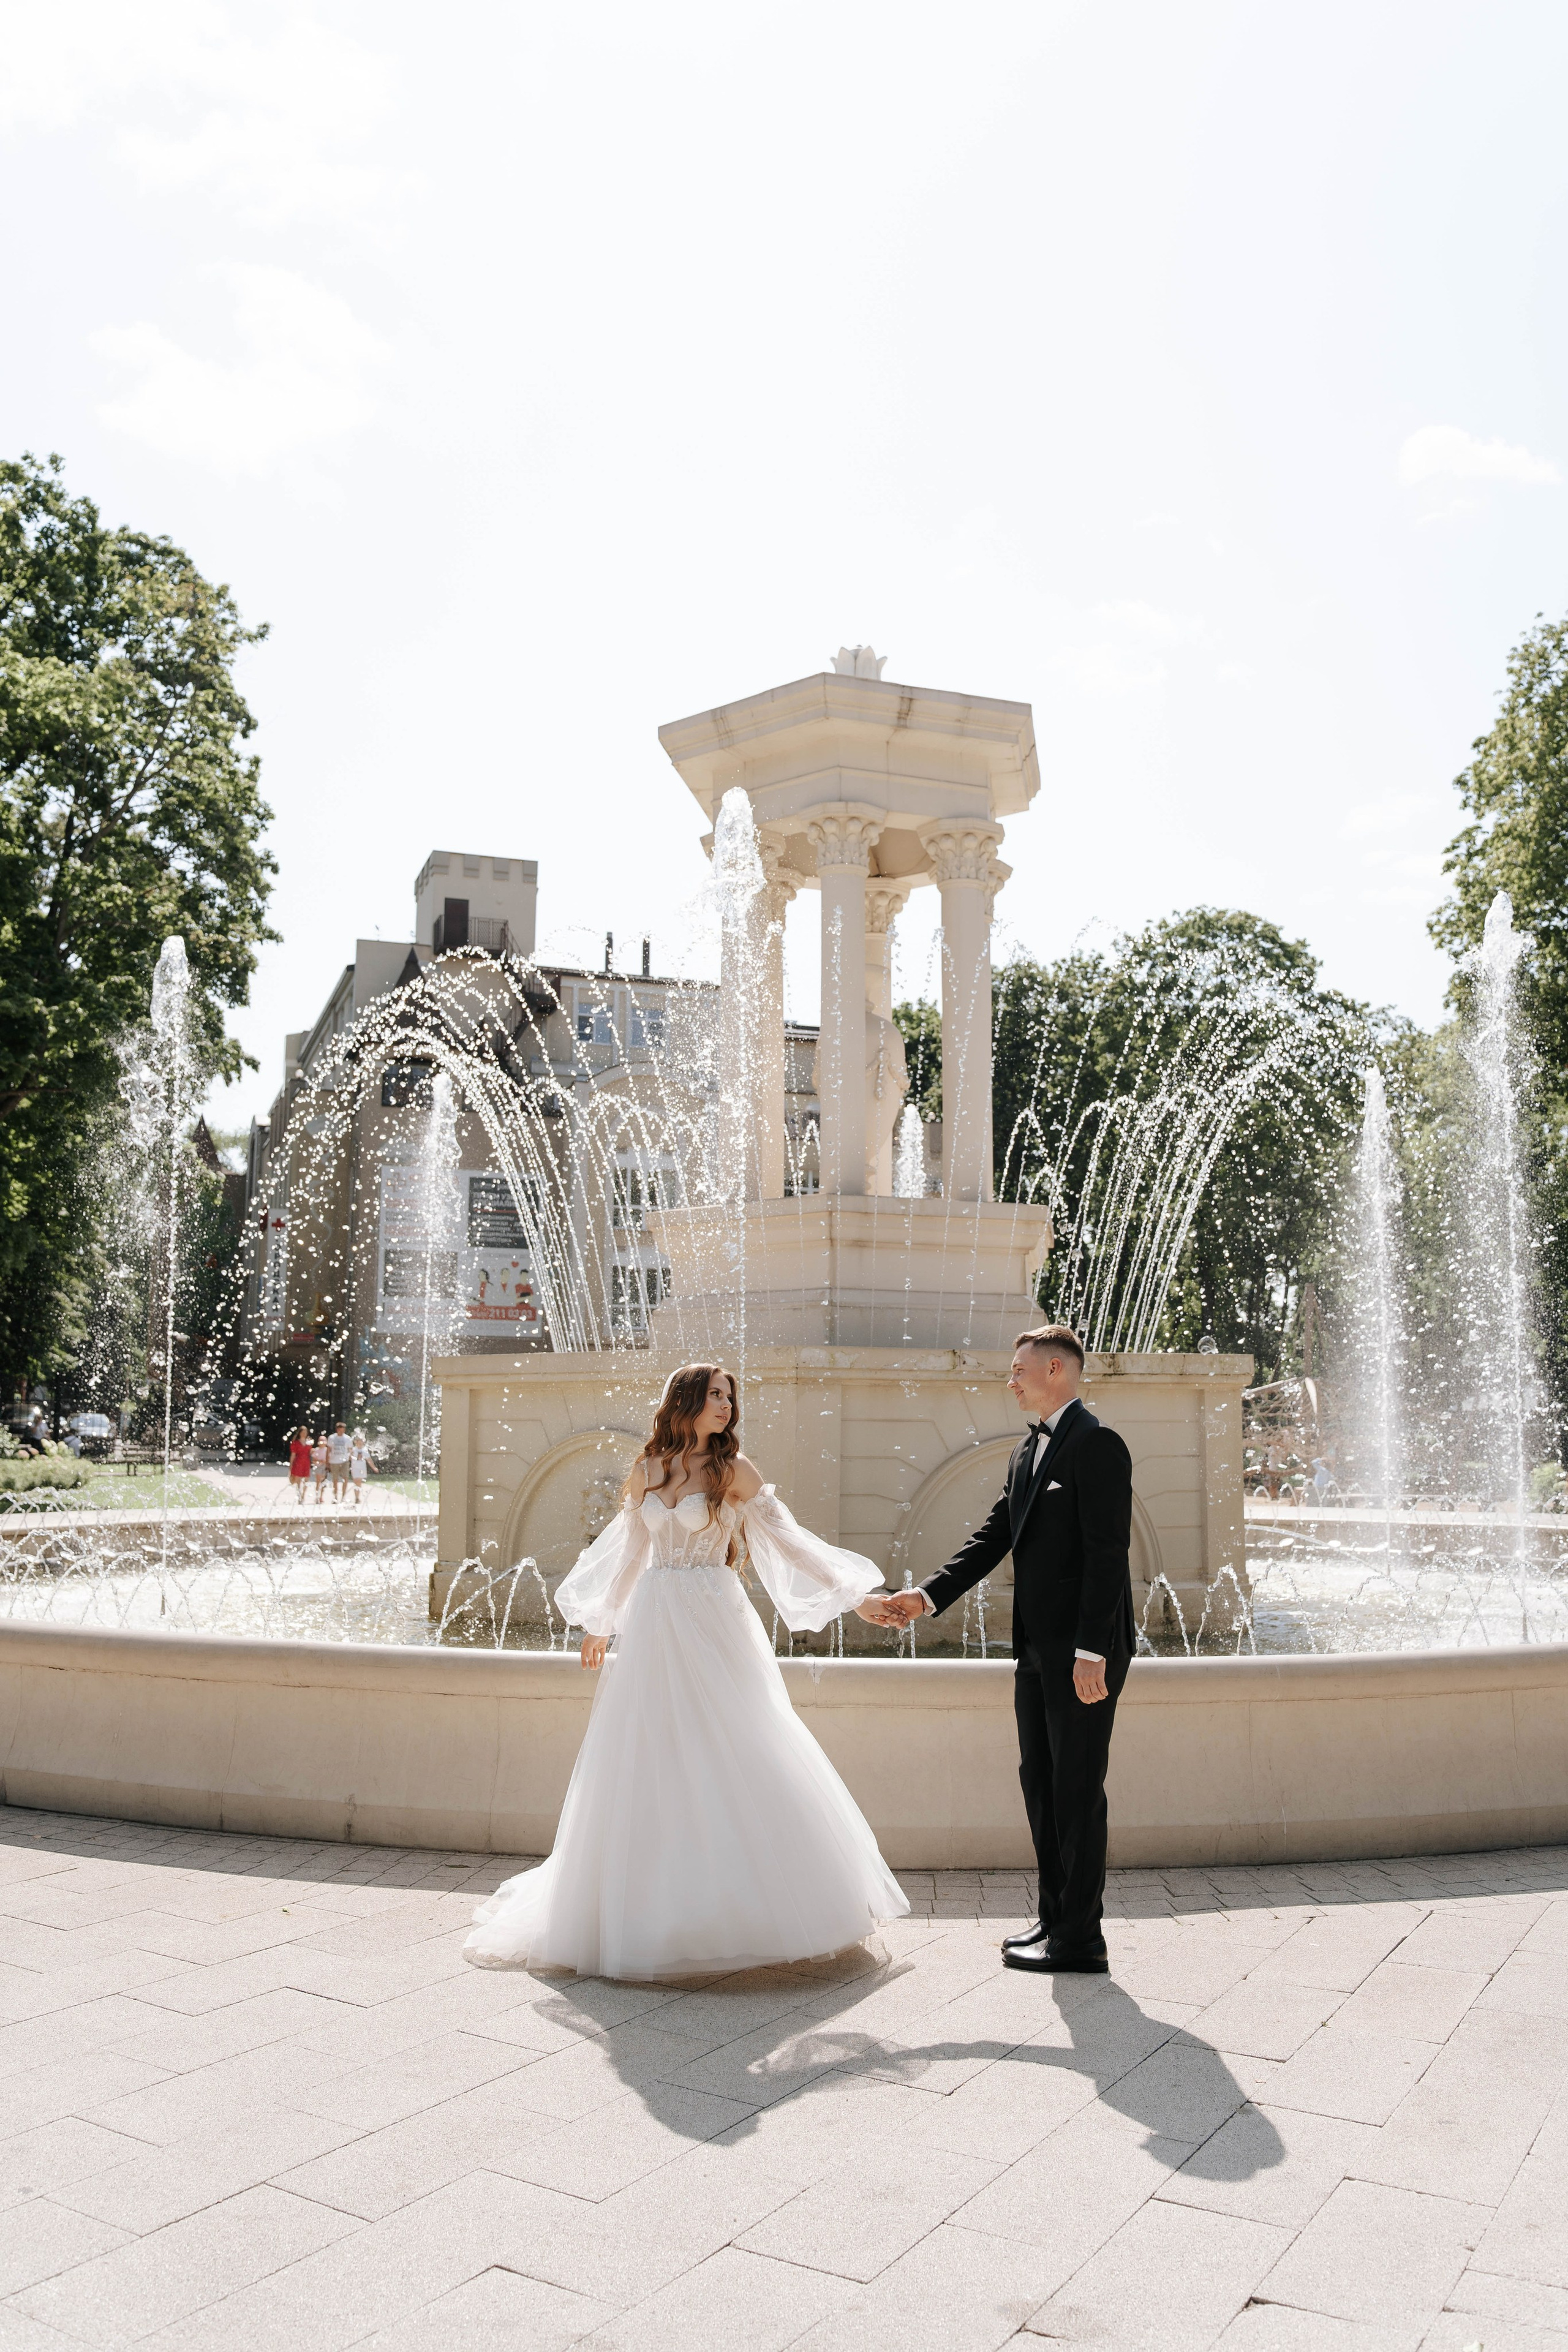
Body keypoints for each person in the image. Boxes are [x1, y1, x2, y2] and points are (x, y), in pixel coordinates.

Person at [464, 1362, 910, 1980]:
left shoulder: (733, 1470)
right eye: (715, 1395)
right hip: (653, 1619)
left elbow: (790, 1540)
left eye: (730, 1396)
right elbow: (630, 1551)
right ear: (686, 1401)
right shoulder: (648, 1470)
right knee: (647, 1752)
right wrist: (602, 1620)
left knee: (739, 1740)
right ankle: (646, 1906)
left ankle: (762, 1905)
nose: (726, 1405)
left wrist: (855, 1595)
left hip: (714, 1617)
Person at [872, 1324, 1134, 1977]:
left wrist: (1091, 1651)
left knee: (1076, 1787)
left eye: (1018, 1369)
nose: (1009, 1380)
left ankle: (1081, 1941)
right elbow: (992, 1537)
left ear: (1055, 1369)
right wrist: (925, 1597)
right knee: (1041, 1785)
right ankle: (1055, 1919)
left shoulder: (1097, 1445)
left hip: (1082, 1653)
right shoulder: (1027, 1453)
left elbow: (1108, 1556)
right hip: (1036, 1649)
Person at [327, 1420, 352, 1503]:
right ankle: (335, 1497)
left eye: (343, 1430)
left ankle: (344, 1497)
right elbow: (329, 1450)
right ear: (337, 1429)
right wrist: (327, 1462)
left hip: (345, 1461)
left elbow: (350, 1449)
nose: (341, 1431)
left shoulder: (348, 1439)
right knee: (335, 1480)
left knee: (345, 1478)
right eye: (340, 1430)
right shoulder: (332, 1438)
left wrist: (350, 1457)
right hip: (334, 1461)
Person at [287, 1425, 312, 1505]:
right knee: (298, 1481)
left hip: (306, 1462)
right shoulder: (296, 1443)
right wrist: (291, 1465)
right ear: (300, 1433)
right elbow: (293, 1454)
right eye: (303, 1432)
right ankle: (299, 1495)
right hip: (298, 1462)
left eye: (306, 1432)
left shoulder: (309, 1442)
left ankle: (303, 1495)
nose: (304, 1434)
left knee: (307, 1480)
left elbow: (310, 1453)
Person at [348, 1428, 373, 1506]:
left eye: (362, 1441)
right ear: (356, 1442)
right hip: (355, 1468)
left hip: (362, 1468)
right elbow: (349, 1458)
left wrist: (374, 1467)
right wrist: (350, 1453)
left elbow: (369, 1460)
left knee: (359, 1483)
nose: (360, 1443)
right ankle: (357, 1497)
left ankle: (357, 1497)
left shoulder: (365, 1450)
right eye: (359, 1441)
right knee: (356, 1482)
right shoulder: (354, 1450)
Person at [310, 1431, 330, 1505]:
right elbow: (313, 1460)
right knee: (318, 1482)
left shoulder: (327, 1450)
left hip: (324, 1467)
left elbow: (329, 1458)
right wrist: (321, 1461)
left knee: (323, 1483)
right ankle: (317, 1496)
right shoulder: (316, 1450)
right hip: (318, 1467)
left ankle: (321, 1496)